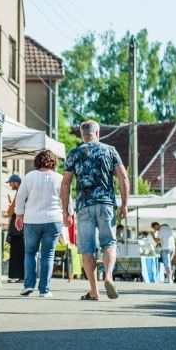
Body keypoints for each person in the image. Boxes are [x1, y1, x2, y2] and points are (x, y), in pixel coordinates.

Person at [62, 120, 129, 301]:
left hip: (84, 206)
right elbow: (123, 177)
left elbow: (66, 183)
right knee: (109, 243)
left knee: (87, 249)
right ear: (97, 133)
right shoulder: (110, 150)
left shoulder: (74, 153)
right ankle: (108, 275)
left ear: (82, 135)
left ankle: (94, 291)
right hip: (106, 204)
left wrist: (65, 211)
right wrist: (124, 204)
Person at [15, 150, 63, 298]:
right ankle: (44, 290)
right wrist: (69, 214)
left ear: (37, 162)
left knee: (30, 253)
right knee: (48, 255)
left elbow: (20, 197)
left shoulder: (29, 177)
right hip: (53, 219)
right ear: (53, 162)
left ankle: (29, 285)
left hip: (32, 219)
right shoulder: (59, 178)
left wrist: (19, 215)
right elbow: (66, 199)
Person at [6, 174, 24, 283]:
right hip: (22, 228)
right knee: (21, 252)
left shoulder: (20, 193)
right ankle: (21, 276)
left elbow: (11, 211)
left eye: (11, 183)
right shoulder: (23, 192)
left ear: (16, 183)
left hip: (18, 230)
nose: (10, 185)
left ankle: (17, 275)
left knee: (17, 253)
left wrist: (9, 210)